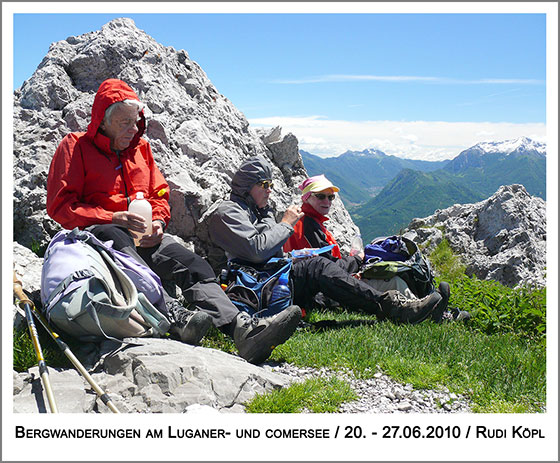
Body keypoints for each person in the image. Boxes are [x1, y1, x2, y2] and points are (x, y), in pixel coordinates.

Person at [46, 79, 301, 364]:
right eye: (124, 123)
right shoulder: (75, 147)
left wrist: (158, 221)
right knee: (117, 237)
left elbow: (159, 192)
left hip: (143, 237)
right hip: (99, 240)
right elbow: (60, 207)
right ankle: (174, 317)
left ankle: (242, 330)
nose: (133, 129)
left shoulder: (140, 148)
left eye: (135, 120)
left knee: (193, 264)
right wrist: (112, 216)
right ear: (101, 122)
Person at [209, 156, 443, 324]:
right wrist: (285, 224)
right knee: (318, 266)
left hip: (272, 276)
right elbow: (257, 250)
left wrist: (267, 214)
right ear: (247, 186)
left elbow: (272, 249)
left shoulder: (258, 211)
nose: (270, 190)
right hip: (260, 283)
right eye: (264, 185)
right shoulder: (228, 212)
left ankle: (422, 308)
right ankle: (393, 308)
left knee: (340, 265)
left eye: (271, 185)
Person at [283, 174, 452, 320]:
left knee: (391, 275)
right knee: (392, 280)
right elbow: (326, 269)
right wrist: (357, 259)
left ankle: (434, 310)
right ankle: (429, 313)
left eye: (330, 197)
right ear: (307, 198)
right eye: (321, 196)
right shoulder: (308, 227)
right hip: (326, 294)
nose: (327, 201)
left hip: (328, 285)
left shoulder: (312, 223)